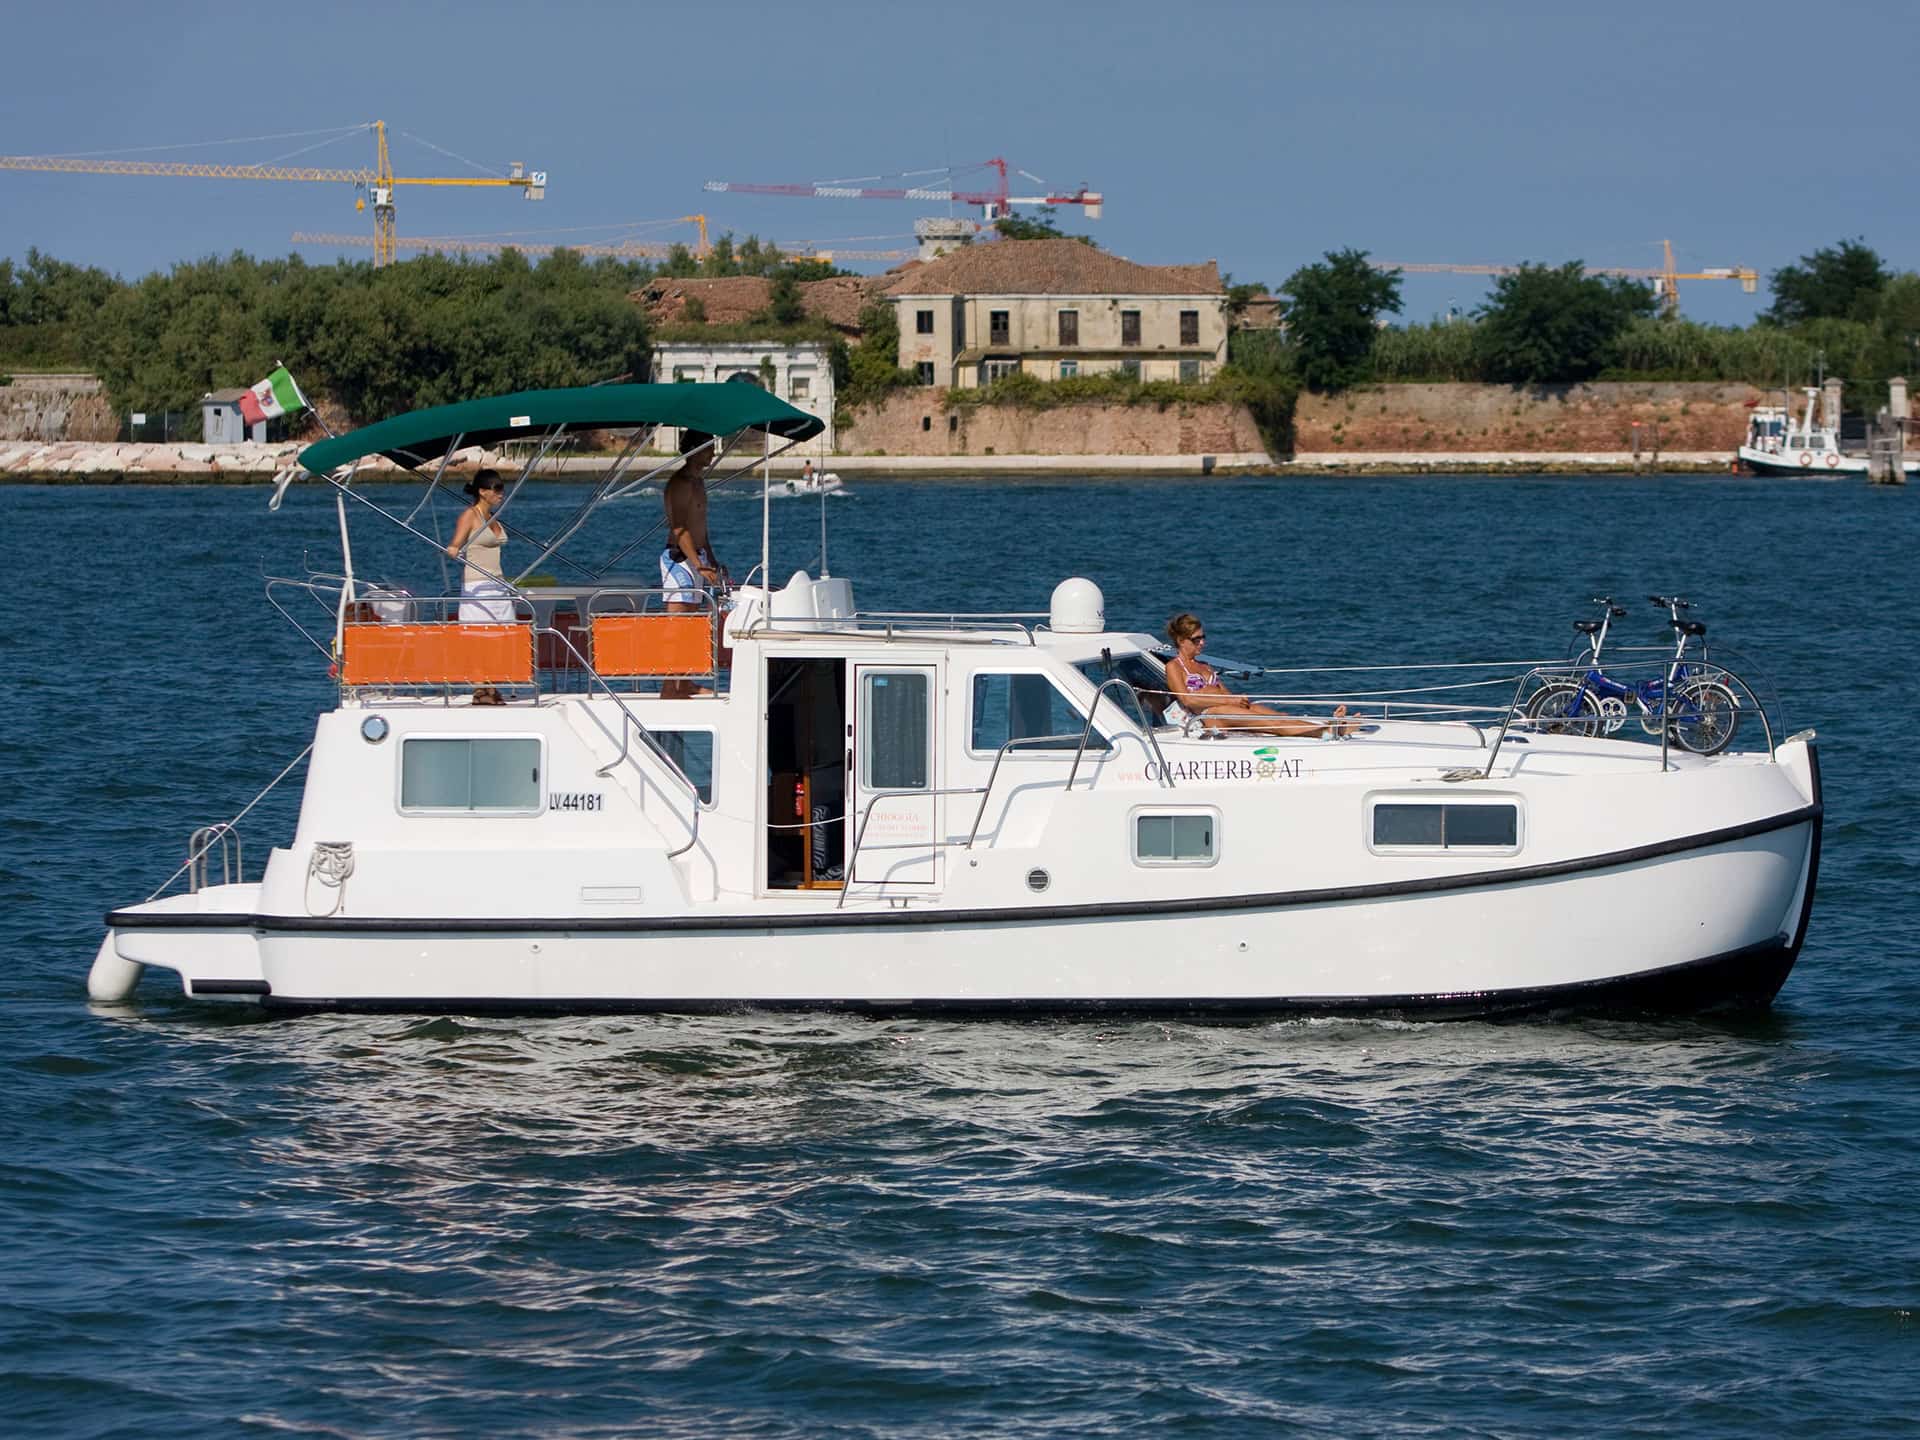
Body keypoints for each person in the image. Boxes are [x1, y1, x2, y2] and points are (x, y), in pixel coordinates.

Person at [1162, 613, 1354, 737]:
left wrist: (1237, 701)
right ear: (1181, 640)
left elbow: (1224, 693)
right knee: (1271, 723)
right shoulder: (1174, 666)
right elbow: (1187, 699)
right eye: (1196, 639)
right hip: (1207, 715)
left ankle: (1327, 726)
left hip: (1224, 707)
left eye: (1203, 637)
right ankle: (1324, 732)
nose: (1202, 643)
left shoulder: (1205, 666)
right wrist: (1230, 702)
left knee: (1280, 716)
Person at [660, 430, 725, 698]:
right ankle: (669, 687)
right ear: (696, 450)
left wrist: (712, 560)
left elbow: (701, 528)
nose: (713, 452)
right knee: (677, 626)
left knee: (692, 627)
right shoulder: (681, 483)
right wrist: (698, 564)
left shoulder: (699, 483)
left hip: (697, 556)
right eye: (709, 447)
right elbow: (679, 528)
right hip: (679, 559)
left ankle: (685, 682)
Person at [448, 470, 513, 622]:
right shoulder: (470, 515)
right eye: (497, 489)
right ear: (482, 492)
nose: (501, 494)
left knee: (508, 631)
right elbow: (455, 544)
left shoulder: (493, 518)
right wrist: (453, 549)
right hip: (478, 586)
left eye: (502, 489)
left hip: (499, 584)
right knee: (481, 633)